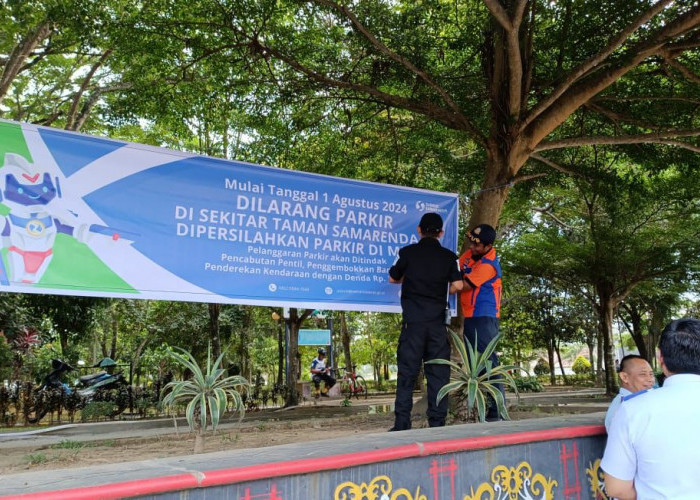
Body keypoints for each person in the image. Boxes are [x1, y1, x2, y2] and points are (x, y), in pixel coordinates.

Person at [602, 318, 700, 499]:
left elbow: (616, 488)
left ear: (660, 357)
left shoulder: (633, 410)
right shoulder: (627, 406)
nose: (649, 379)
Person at [388, 212, 463, 431]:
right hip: (437, 325)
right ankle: (437, 423)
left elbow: (393, 277)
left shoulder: (408, 253)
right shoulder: (450, 257)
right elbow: (458, 286)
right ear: (441, 233)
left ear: (419, 230)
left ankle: (402, 423)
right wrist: (441, 287)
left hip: (413, 324)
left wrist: (412, 278)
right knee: (438, 374)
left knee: (407, 373)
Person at [458, 223, 503, 421]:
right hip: (470, 316)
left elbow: (463, 286)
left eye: (477, 246)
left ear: (488, 246)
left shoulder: (488, 265)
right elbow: (456, 267)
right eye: (472, 243)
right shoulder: (469, 255)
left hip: (484, 317)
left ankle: (496, 411)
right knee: (475, 364)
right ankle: (481, 407)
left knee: (489, 363)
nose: (472, 248)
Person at [604, 354, 655, 431]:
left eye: (651, 374)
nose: (650, 379)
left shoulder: (642, 399)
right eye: (643, 374)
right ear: (624, 377)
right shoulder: (622, 407)